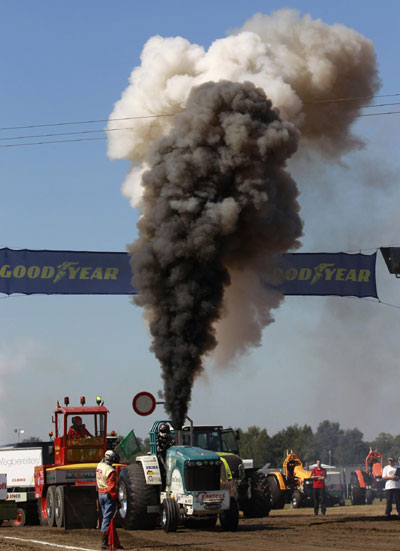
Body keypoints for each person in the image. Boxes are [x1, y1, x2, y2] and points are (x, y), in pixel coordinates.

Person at [96, 450, 123, 550]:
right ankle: (104, 542)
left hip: (101, 494)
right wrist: (116, 499)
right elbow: (111, 488)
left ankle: (114, 542)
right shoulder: (111, 471)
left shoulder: (99, 465)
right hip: (108, 496)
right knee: (107, 519)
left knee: (108, 519)